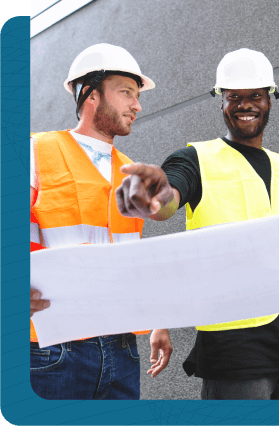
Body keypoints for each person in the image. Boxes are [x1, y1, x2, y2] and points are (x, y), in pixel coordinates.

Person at [116, 48, 279, 400]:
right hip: (235, 351)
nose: (245, 104)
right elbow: (170, 194)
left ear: (270, 99)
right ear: (220, 101)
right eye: (233, 97)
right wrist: (155, 197)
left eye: (255, 96)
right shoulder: (195, 158)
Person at [30, 43, 173, 400]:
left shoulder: (131, 170)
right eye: (126, 92)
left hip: (121, 347)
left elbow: (131, 256)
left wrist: (159, 317)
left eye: (137, 95)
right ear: (90, 95)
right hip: (52, 347)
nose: (136, 105)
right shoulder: (37, 151)